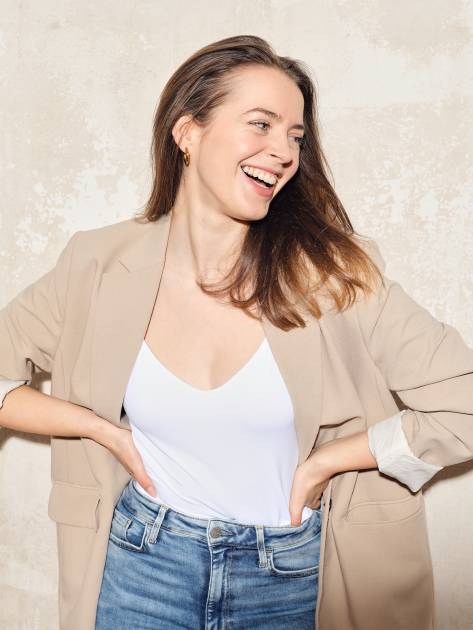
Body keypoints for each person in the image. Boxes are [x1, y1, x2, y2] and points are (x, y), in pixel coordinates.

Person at [0, 34, 471, 630]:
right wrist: (99, 429)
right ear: (187, 132)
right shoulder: (96, 264)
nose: (283, 152)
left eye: (295, 136)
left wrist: (328, 463)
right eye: (261, 124)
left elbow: (464, 405)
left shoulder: (334, 276)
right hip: (142, 565)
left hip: (288, 576)